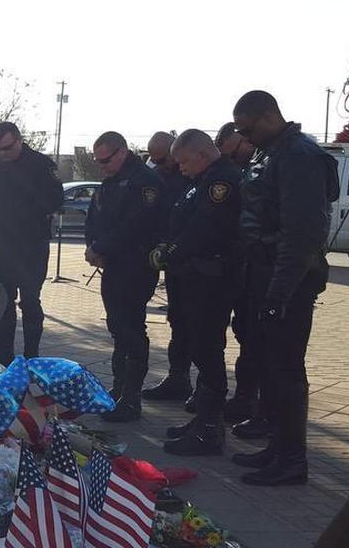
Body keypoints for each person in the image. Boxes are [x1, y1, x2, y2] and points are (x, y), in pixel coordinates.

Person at [229, 90, 338, 487]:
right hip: (263, 272)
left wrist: (278, 293)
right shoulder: (269, 152)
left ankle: (293, 459)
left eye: (248, 128)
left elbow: (302, 235)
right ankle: (277, 446)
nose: (245, 137)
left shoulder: (299, 156)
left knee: (288, 370)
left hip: (288, 278)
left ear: (269, 115)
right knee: (271, 367)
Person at [149, 129, 242, 455]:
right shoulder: (201, 180)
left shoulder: (222, 182)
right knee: (200, 347)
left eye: (184, 161)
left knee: (208, 349)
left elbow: (204, 228)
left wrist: (172, 252)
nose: (181, 168)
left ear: (201, 155)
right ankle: (203, 419)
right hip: (195, 276)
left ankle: (210, 429)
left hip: (212, 278)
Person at [85, 132, 164, 422]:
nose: (101, 166)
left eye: (105, 160)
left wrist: (101, 247)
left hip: (135, 266)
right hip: (113, 265)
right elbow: (95, 218)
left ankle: (131, 398)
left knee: (131, 329)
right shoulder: (111, 181)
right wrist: (92, 246)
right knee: (117, 327)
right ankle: (118, 389)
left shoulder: (145, 182)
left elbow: (135, 226)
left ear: (121, 152)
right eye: (98, 161)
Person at [0, 122, 63, 363]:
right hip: (2, 245)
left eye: (7, 148)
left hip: (31, 246)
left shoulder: (40, 164)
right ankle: (4, 354)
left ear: (19, 140)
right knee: (2, 301)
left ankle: (31, 356)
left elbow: (56, 199)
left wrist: (27, 213)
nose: (3, 154)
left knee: (31, 301)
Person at [216, 120, 266, 433]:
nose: (234, 160)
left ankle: (263, 412)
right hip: (247, 267)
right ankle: (246, 400)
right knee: (246, 335)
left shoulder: (270, 165)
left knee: (264, 346)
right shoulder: (250, 169)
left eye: (235, 152)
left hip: (267, 270)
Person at [142, 131, 196, 406]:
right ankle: (178, 377)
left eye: (160, 158)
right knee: (177, 321)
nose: (155, 163)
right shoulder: (159, 177)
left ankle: (202, 391)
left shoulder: (192, 179)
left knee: (197, 327)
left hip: (195, 264)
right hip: (174, 262)